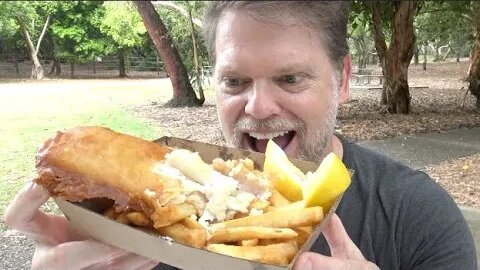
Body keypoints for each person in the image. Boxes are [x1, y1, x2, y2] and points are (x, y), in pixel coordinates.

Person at [5, 1, 477, 270]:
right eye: (234, 81)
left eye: (291, 79)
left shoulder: (416, 215)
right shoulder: (134, 225)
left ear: (344, 81)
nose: (258, 106)